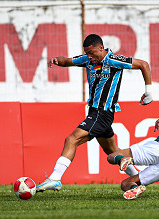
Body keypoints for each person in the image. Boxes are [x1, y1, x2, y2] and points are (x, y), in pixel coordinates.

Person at [36, 34, 153, 192]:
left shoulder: (114, 60)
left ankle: (55, 178)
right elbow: (68, 61)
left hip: (102, 111)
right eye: (87, 53)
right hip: (95, 111)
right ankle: (138, 179)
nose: (89, 57)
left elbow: (143, 64)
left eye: (92, 53)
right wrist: (57, 60)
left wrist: (149, 92)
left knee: (71, 139)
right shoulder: (87, 60)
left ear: (101, 48)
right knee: (113, 151)